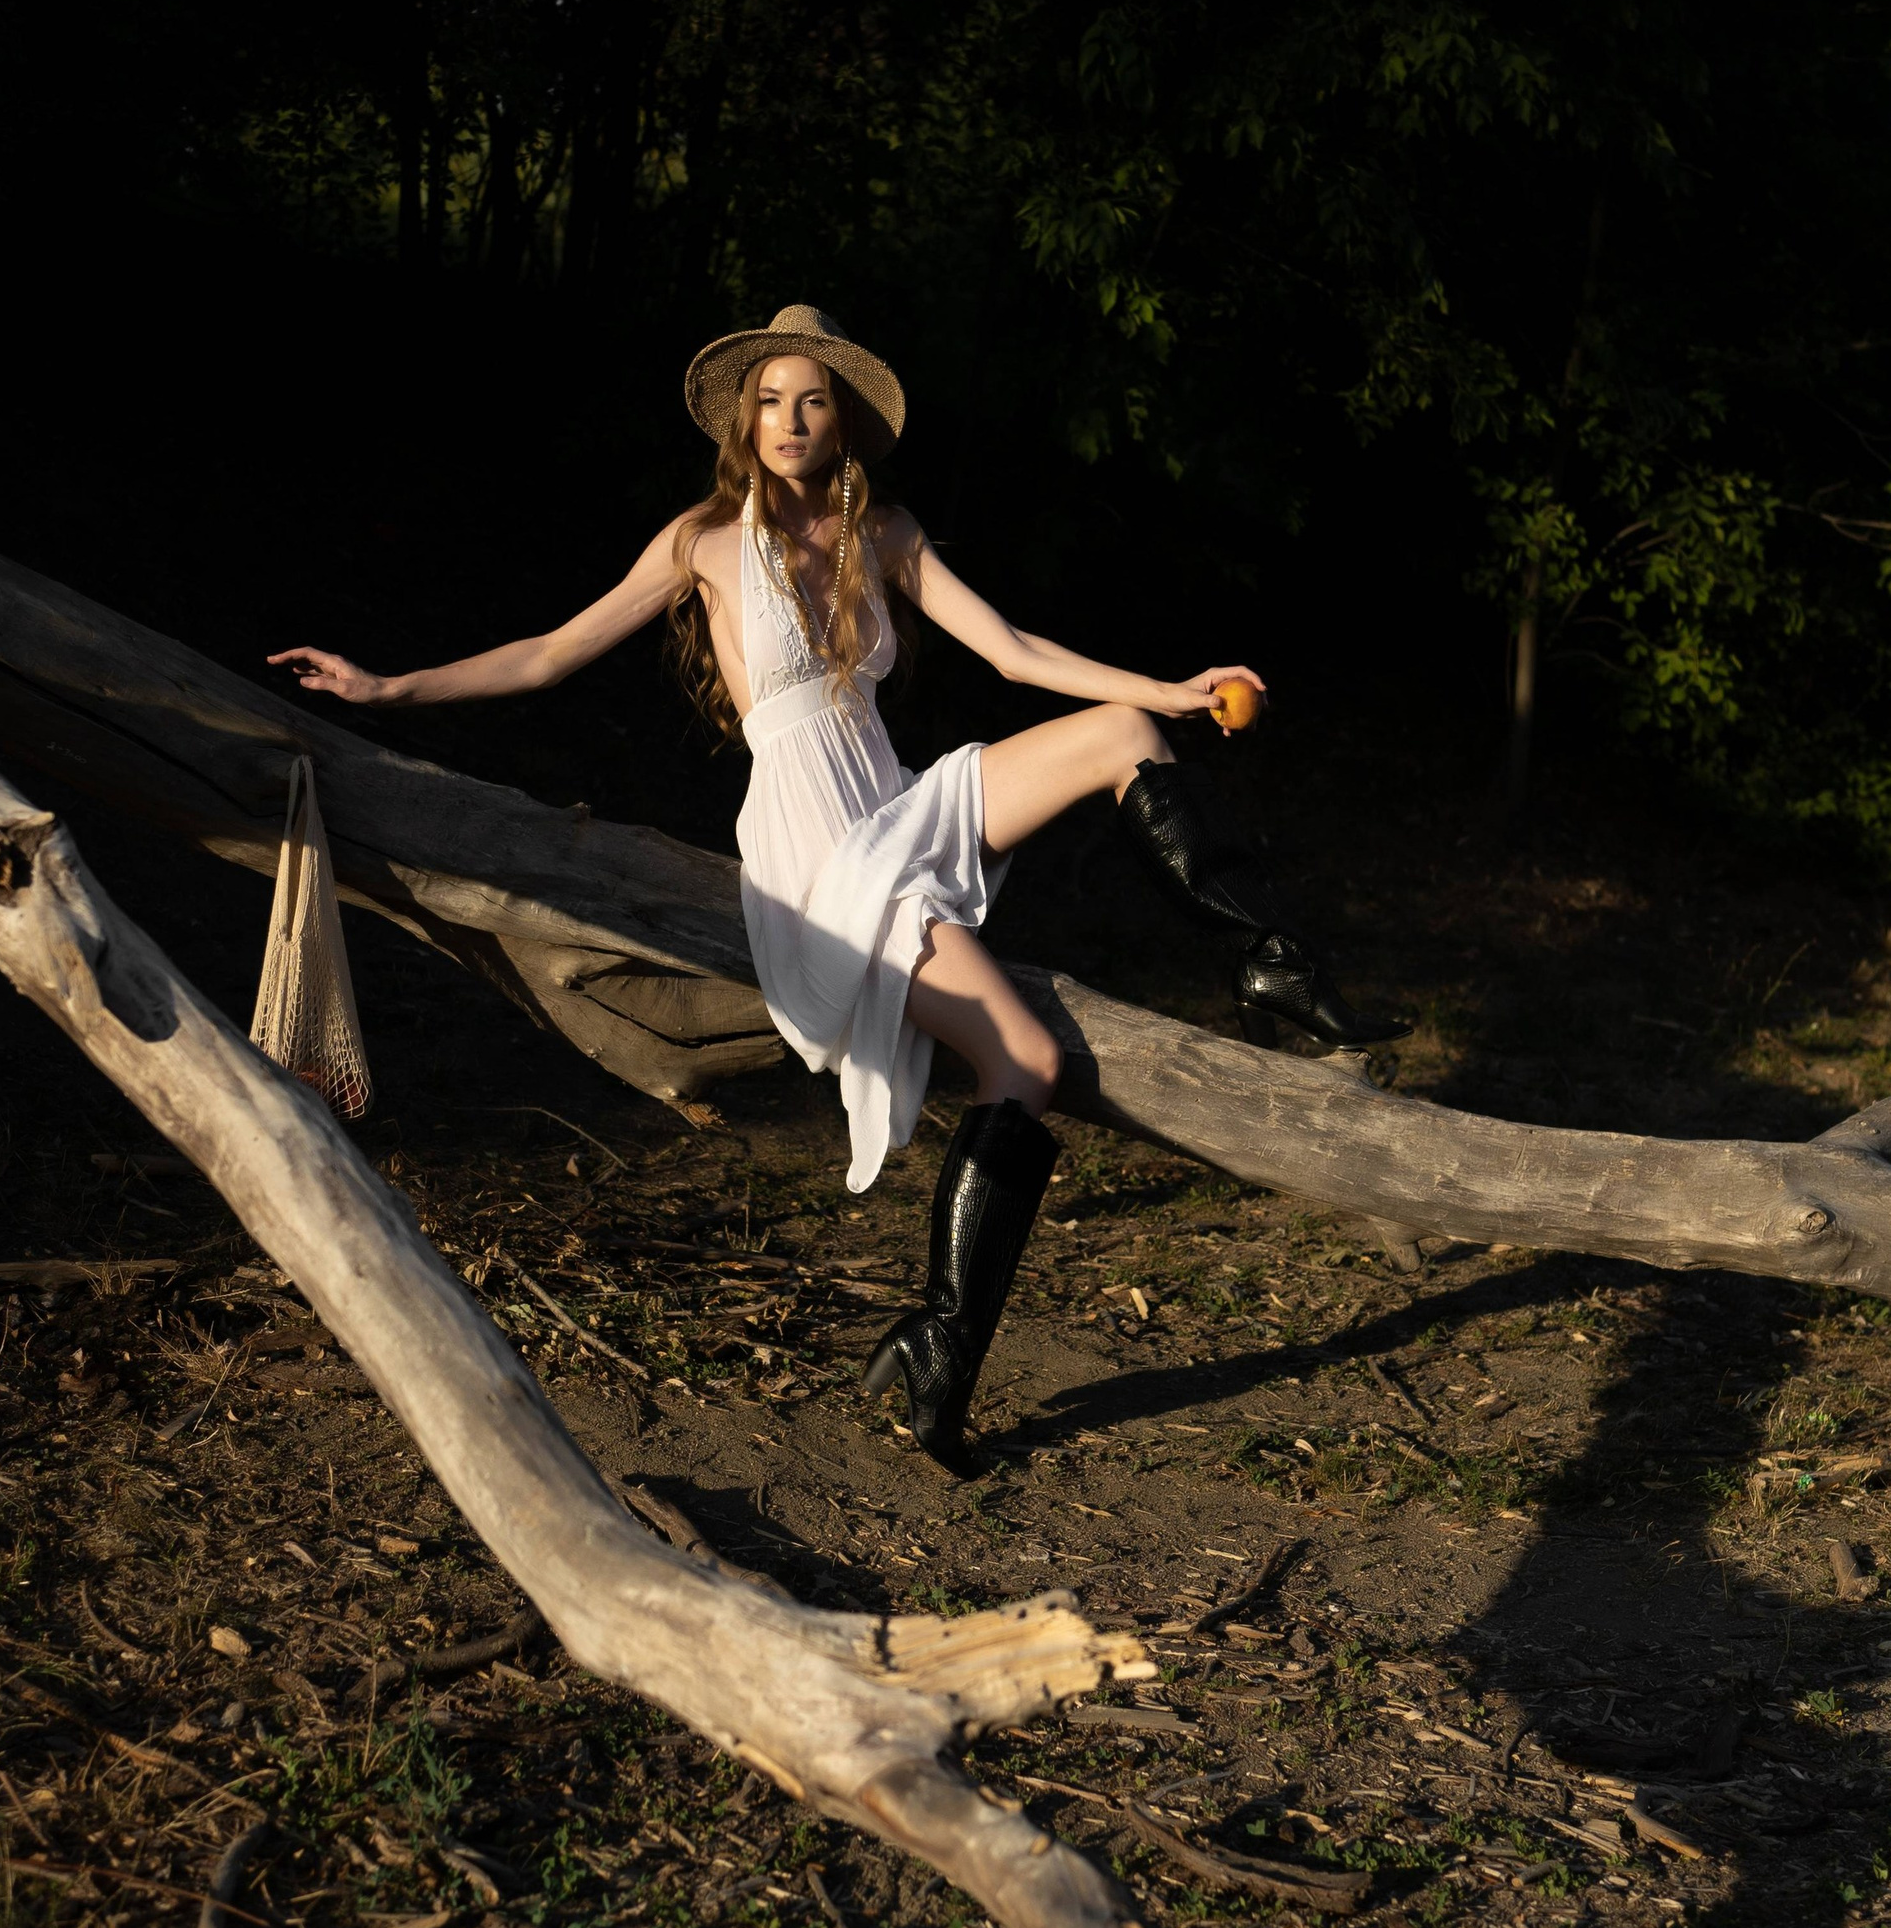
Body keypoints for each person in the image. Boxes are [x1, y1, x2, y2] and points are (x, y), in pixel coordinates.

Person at [270, 300, 1403, 1473]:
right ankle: (942, 1343)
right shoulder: (700, 542)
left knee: (1122, 728)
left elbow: (1014, 651)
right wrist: (391, 687)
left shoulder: (889, 531)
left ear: (845, 419)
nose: (790, 419)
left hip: (893, 802)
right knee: (1028, 1061)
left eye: (812, 399)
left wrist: (1172, 686)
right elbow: (554, 650)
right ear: (741, 421)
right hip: (817, 848)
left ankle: (1267, 956)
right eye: (769, 399)